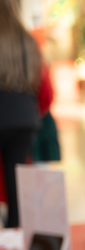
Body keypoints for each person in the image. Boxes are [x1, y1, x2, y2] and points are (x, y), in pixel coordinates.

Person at [0, 0, 42, 228]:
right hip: (24, 119)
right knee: (17, 185)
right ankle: (16, 235)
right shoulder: (28, 40)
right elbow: (42, 84)